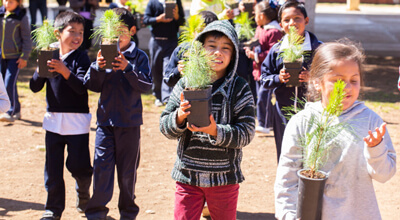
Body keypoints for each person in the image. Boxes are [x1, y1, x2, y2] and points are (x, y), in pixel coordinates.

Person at [274, 40, 397, 220]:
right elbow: (287, 178)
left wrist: (376, 149)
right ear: (317, 83)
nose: (346, 87)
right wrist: (288, 215)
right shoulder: (301, 122)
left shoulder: (370, 121)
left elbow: (384, 175)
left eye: (354, 80)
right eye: (337, 81)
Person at [160, 20, 256, 220]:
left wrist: (215, 131)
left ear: (234, 55)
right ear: (200, 49)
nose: (218, 52)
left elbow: (247, 132)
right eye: (211, 46)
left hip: (224, 179)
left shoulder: (239, 88)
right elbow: (164, 125)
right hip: (188, 176)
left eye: (225, 48)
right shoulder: (186, 83)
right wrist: (179, 117)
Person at [83, 8, 152, 220]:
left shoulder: (139, 56)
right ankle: (96, 213)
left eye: (120, 30)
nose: (115, 36)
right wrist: (98, 67)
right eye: (110, 31)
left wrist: (128, 68)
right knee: (102, 168)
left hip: (130, 124)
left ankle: (128, 212)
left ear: (132, 31)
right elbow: (90, 85)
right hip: (104, 123)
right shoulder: (102, 55)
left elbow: (147, 85)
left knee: (127, 172)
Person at [29, 11, 93, 220]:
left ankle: (83, 194)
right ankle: (53, 209)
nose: (77, 36)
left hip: (77, 124)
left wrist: (65, 71)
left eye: (81, 32)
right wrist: (41, 69)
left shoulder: (82, 57)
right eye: (71, 31)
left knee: (80, 167)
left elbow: (82, 87)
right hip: (54, 123)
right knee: (53, 170)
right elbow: (34, 87)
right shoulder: (49, 54)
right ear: (57, 33)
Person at [260, 0, 322, 162]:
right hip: (282, 113)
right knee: (285, 152)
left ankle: (309, 185)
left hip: (313, 111)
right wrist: (278, 78)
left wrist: (312, 78)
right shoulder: (276, 50)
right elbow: (264, 78)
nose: (292, 23)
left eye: (297, 18)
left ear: (306, 21)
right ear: (281, 24)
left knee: (311, 153)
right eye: (286, 20)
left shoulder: (318, 49)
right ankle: (287, 186)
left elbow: (331, 77)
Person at [245, 0, 283, 134]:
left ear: (261, 15)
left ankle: (264, 124)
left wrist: (256, 56)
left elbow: (273, 52)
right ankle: (269, 122)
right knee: (261, 97)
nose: (254, 17)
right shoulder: (260, 29)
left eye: (255, 14)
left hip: (268, 71)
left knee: (264, 97)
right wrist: (250, 50)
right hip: (257, 70)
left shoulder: (274, 31)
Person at [143, 0, 185, 106]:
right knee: (156, 68)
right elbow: (146, 20)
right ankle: (157, 96)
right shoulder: (153, 2)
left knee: (168, 68)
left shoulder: (176, 2)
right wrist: (159, 19)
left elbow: (182, 21)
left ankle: (167, 97)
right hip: (156, 41)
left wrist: (176, 16)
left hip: (171, 41)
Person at [163, 10, 218, 90]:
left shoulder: (219, 53)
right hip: (186, 97)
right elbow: (167, 79)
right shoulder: (183, 50)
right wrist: (178, 70)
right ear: (193, 30)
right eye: (200, 30)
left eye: (208, 33)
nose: (202, 36)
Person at [0, 0, 31, 122]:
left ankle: (9, 111)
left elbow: (27, 39)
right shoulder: (1, 14)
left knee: (8, 82)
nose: (7, 3)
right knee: (7, 84)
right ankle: (17, 110)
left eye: (11, 1)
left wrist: (24, 57)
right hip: (1, 57)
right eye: (5, 0)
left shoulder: (21, 17)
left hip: (15, 58)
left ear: (19, 3)